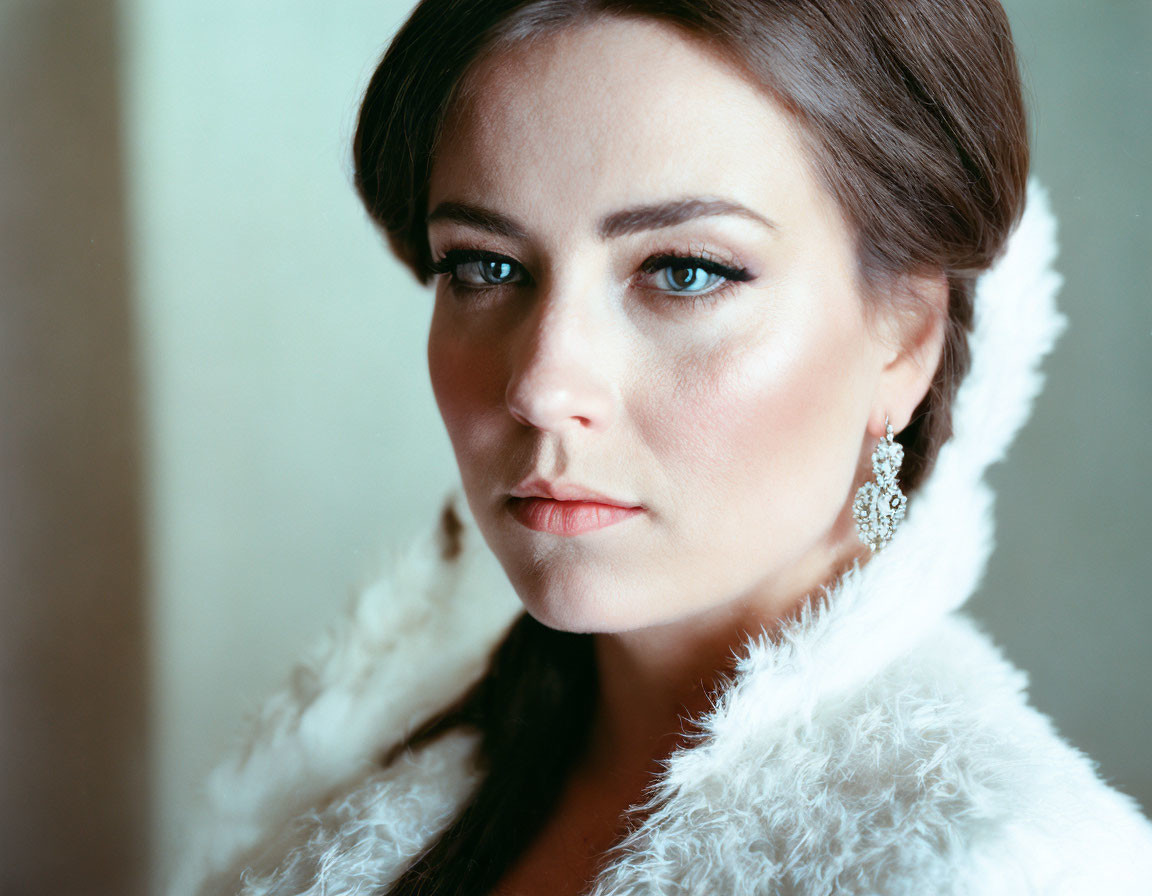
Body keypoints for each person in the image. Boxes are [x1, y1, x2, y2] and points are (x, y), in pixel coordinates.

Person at [172, 1, 1152, 893]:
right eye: (484, 265)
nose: (541, 384)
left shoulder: (1013, 865)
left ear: (904, 334)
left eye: (683, 270)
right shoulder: (351, 805)